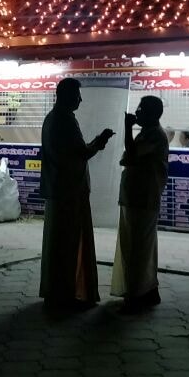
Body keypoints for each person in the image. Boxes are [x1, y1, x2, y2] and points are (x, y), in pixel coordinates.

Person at [39, 78, 115, 310]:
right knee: (68, 244)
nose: (80, 100)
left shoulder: (52, 118)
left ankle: (56, 292)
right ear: (66, 96)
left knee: (58, 244)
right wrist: (100, 141)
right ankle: (66, 294)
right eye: (77, 95)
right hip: (69, 192)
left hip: (58, 189)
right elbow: (79, 154)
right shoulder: (64, 120)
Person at [111, 95, 170, 313]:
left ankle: (138, 293)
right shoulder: (148, 133)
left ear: (153, 113)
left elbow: (132, 154)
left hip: (142, 198)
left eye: (142, 108)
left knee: (138, 248)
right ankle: (145, 290)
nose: (138, 112)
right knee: (137, 246)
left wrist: (127, 128)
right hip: (136, 197)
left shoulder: (154, 135)